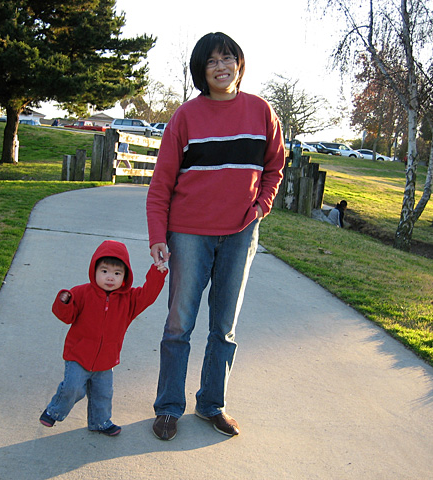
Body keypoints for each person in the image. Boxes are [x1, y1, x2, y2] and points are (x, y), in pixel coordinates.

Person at [146, 32, 285, 440]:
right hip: (188, 233)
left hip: (241, 234)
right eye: (212, 62)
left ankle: (212, 405)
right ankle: (169, 407)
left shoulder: (261, 111)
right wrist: (159, 235)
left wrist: (261, 207)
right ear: (200, 70)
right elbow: (160, 185)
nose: (221, 67)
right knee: (178, 325)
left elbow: (276, 167)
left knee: (224, 326)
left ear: (239, 63)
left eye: (228, 58)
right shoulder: (185, 117)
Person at [39, 240, 167, 436]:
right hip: (78, 355)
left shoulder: (129, 300)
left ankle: (100, 422)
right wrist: (64, 301)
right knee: (73, 388)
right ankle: (54, 411)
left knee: (103, 395)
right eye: (104, 271)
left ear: (125, 276)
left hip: (106, 359)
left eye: (117, 273)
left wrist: (157, 274)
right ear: (94, 271)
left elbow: (148, 295)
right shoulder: (81, 293)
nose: (110, 277)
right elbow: (66, 316)